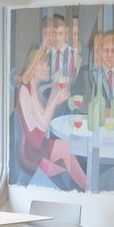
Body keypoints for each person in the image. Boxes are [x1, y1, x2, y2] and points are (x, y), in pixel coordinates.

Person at [13, 49, 88, 188]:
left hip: (39, 145)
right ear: (32, 66)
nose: (48, 68)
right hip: (31, 152)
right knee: (66, 163)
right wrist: (55, 102)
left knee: (69, 147)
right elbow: (41, 129)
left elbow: (42, 117)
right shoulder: (25, 91)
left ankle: (88, 188)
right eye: (43, 64)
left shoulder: (32, 87)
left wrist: (55, 94)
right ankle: (87, 189)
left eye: (47, 64)